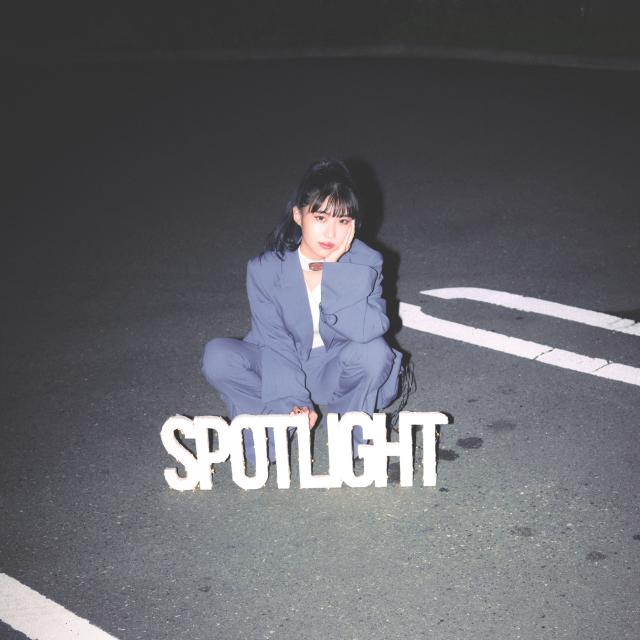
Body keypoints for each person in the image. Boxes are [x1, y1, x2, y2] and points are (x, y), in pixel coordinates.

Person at [201, 158, 402, 465]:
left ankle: (351, 435)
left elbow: (370, 328)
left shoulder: (366, 261)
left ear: (353, 225)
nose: (331, 233)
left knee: (374, 352)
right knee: (218, 356)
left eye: (343, 221)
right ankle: (270, 429)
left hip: (336, 368)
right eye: (320, 217)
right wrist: (290, 403)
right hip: (280, 362)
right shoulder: (265, 270)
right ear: (298, 215)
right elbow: (274, 342)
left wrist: (334, 276)